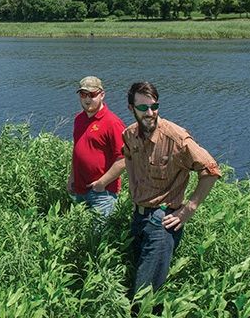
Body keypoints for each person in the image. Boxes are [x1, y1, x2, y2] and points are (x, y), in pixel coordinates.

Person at [122, 81, 221, 296]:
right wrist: (133, 186)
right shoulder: (129, 135)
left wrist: (188, 210)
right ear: (131, 109)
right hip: (138, 217)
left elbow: (211, 170)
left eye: (154, 106)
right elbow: (128, 156)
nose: (150, 113)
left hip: (162, 221)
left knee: (143, 293)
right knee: (137, 279)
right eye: (143, 108)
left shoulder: (175, 137)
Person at [67, 76, 126, 228]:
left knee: (98, 238)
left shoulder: (112, 122)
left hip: (103, 193)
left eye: (92, 95)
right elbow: (77, 151)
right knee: (80, 234)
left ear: (102, 95)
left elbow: (124, 159)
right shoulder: (79, 119)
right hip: (80, 189)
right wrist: (71, 177)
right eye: (83, 94)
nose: (87, 99)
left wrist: (102, 183)